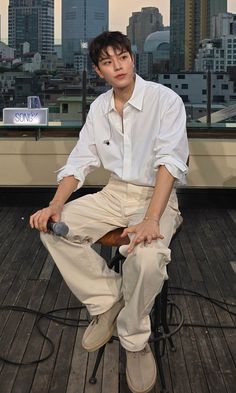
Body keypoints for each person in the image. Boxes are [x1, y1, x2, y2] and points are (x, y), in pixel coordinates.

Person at [30, 31, 189, 393]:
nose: (117, 66)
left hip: (156, 197)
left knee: (147, 261)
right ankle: (108, 299)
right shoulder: (99, 108)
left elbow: (170, 162)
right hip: (115, 192)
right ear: (99, 71)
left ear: (133, 59)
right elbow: (79, 162)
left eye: (122, 57)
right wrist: (55, 205)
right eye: (107, 62)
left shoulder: (165, 101)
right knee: (53, 228)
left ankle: (134, 340)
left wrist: (151, 217)